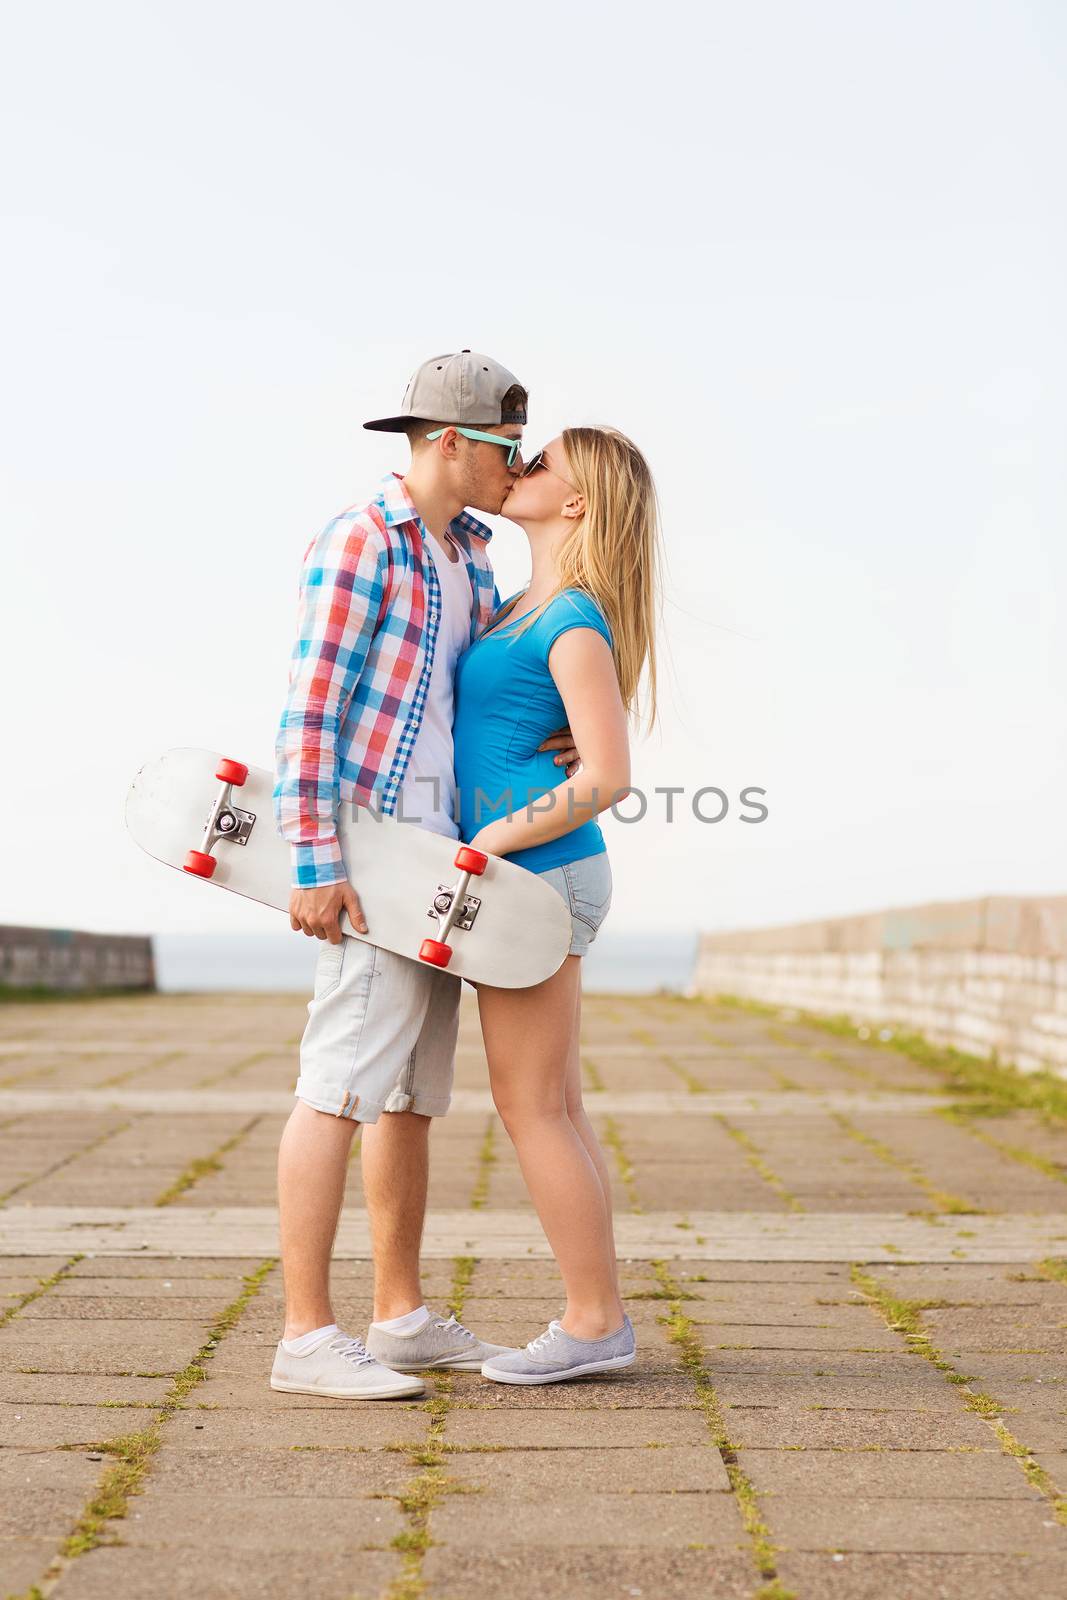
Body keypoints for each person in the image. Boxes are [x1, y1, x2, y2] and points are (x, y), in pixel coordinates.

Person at [269, 352, 582, 1400]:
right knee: (339, 1085)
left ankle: (396, 1314)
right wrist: (316, 862)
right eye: (504, 449)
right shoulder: (363, 541)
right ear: (449, 441)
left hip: (438, 865)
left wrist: (561, 746)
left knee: (406, 1095)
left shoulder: (470, 555)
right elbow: (310, 710)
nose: (515, 466)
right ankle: (304, 1337)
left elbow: (467, 702)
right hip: (370, 861)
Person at [451, 425, 661, 1384]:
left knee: (530, 1107)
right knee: (557, 1108)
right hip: (534, 874)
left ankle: (592, 1322)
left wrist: (487, 843)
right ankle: (596, 1317)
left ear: (575, 504)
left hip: (538, 877)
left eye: (539, 466)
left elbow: (608, 773)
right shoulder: (511, 605)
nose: (519, 469)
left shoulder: (570, 618)